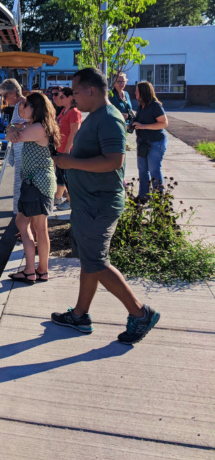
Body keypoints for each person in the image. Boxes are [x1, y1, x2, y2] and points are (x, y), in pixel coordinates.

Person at [51, 67, 160, 345]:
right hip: (89, 203)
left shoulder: (109, 118)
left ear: (91, 90)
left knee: (97, 263)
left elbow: (114, 161)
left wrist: (71, 162)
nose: (72, 97)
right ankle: (79, 315)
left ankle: (140, 312)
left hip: (98, 205)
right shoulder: (97, 115)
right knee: (90, 262)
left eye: (76, 91)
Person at [5, 92, 60, 284]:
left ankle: (30, 271)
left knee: (23, 223)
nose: (22, 107)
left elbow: (11, 136)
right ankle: (42, 270)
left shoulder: (37, 128)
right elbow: (11, 129)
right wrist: (13, 127)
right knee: (40, 228)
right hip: (41, 182)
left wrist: (12, 129)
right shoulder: (38, 125)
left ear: (36, 108)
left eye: (26, 104)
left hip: (35, 183)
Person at [133, 80, 168, 202]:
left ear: (144, 92)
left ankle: (158, 199)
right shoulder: (141, 106)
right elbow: (138, 121)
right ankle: (144, 196)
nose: (135, 93)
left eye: (137, 91)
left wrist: (144, 126)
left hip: (155, 143)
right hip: (142, 143)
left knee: (154, 170)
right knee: (142, 170)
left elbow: (164, 123)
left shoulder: (155, 106)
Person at [0, 78, 27, 219]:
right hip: (21, 150)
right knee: (20, 185)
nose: (4, 99)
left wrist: (13, 127)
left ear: (13, 92)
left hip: (24, 151)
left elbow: (32, 124)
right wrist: (12, 127)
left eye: (4, 95)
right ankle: (21, 216)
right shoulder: (19, 105)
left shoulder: (24, 104)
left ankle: (22, 218)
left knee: (22, 185)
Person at [53, 87, 82, 210]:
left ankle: (71, 201)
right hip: (61, 149)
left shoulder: (74, 112)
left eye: (62, 97)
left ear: (70, 97)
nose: (59, 99)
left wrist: (67, 150)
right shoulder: (64, 110)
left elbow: (74, 132)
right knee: (61, 176)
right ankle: (59, 198)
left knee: (68, 177)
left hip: (68, 151)